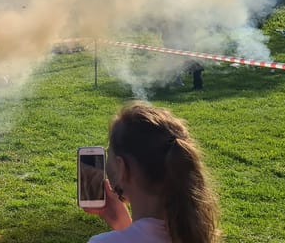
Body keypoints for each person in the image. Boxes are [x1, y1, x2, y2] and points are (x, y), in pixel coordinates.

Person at [82, 102, 220, 243]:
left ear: (122, 168)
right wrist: (124, 226)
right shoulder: (192, 235)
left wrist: (126, 230)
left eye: (108, 152)